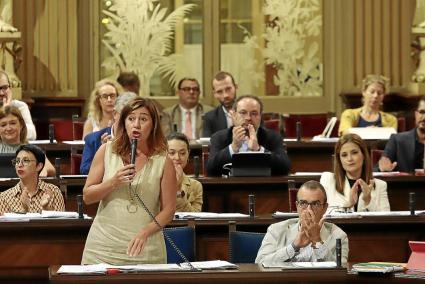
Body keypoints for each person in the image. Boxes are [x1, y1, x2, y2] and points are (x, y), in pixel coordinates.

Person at [81, 97, 177, 265]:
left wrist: (145, 233)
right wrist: (113, 182)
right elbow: (88, 197)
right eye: (131, 118)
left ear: (153, 124)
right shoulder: (106, 151)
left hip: (145, 248)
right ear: (123, 122)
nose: (136, 125)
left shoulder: (163, 161)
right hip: (103, 247)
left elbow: (169, 210)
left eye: (143, 119)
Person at [255, 180, 349, 265]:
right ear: (297, 206)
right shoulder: (276, 230)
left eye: (315, 204)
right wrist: (294, 246)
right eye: (303, 203)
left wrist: (317, 241)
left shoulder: (338, 235)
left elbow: (340, 269)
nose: (309, 210)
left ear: (324, 208)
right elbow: (260, 263)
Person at [206, 95, 290, 176]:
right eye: (243, 113)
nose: (248, 118)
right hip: (230, 188)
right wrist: (233, 147)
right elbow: (210, 170)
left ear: (260, 116)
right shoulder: (219, 137)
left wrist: (259, 150)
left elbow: (285, 168)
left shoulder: (273, 137)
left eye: (254, 113)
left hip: (263, 187)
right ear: (234, 115)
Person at [320, 133, 390, 213]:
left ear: (363, 155)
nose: (349, 159)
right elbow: (322, 214)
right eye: (344, 155)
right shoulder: (328, 180)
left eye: (354, 153)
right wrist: (348, 205)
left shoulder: (380, 185)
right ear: (339, 160)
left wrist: (368, 201)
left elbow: (385, 219)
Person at [80, 92, 138, 175]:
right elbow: (84, 171)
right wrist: (103, 153)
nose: (129, 122)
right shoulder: (93, 139)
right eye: (124, 116)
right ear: (114, 114)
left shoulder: (142, 138)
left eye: (132, 118)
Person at [0, 144, 65, 215]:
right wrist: (24, 210)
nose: (20, 165)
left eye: (25, 161)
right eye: (17, 161)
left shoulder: (54, 191)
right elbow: (7, 226)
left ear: (39, 166)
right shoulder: (4, 197)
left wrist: (46, 208)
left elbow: (59, 224)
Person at [0, 106, 55, 177]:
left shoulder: (32, 149)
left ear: (21, 125)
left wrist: (45, 169)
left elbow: (52, 170)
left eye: (13, 123)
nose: (8, 128)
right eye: (3, 125)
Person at [378, 96, 425, 173]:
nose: (424, 118)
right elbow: (377, 169)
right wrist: (383, 168)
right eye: (422, 112)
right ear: (416, 114)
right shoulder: (397, 140)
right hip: (405, 184)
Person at [167, 132, 203, 212]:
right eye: (172, 153)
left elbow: (194, 217)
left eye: (182, 153)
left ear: (188, 154)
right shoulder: (154, 180)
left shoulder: (195, 186)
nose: (177, 157)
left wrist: (178, 190)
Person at [0, 70, 36, 140]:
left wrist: (9, 111)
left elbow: (32, 135)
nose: (1, 93)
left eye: (5, 87)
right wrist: (4, 113)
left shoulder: (20, 106)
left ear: (10, 89)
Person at [203, 71, 237, 137]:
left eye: (228, 89)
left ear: (235, 87)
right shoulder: (210, 118)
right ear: (214, 94)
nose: (225, 95)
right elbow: (210, 145)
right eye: (219, 92)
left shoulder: (251, 112)